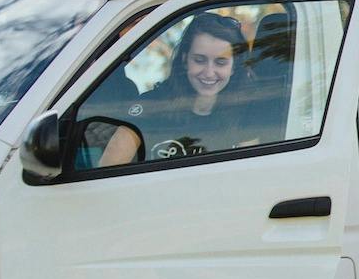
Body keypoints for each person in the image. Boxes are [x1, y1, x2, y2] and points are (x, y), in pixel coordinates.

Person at [98, 10, 257, 166]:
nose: (209, 73)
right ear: (185, 59)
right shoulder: (149, 107)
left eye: (220, 62)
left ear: (234, 66)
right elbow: (105, 174)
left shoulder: (246, 112)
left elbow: (248, 178)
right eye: (200, 60)